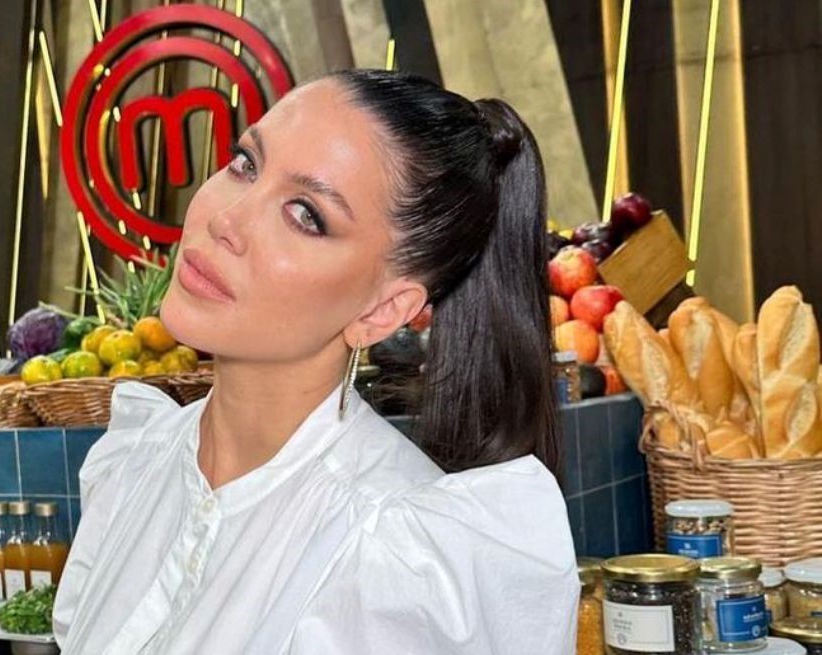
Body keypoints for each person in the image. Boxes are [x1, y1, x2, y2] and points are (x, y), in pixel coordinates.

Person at [53, 69, 578, 654]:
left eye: (305, 214)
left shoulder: (393, 562)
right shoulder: (133, 466)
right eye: (245, 163)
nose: (226, 220)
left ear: (383, 311)